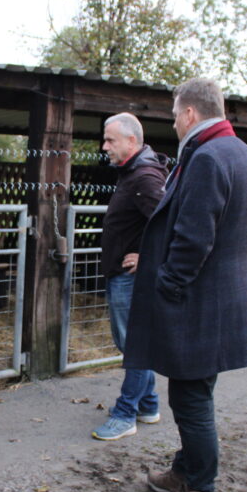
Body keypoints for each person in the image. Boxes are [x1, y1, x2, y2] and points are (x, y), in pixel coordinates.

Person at [124, 77, 247, 492]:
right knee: (197, 391)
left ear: (189, 114)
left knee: (190, 398)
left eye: (173, 115)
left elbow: (194, 238)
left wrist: (168, 283)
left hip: (199, 302)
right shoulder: (243, 155)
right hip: (225, 299)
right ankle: (184, 472)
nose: (173, 123)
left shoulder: (207, 158)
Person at [92, 113, 168, 440]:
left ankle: (126, 414)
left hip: (131, 277)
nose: (104, 146)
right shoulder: (133, 172)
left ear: (131, 141)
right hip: (123, 274)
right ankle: (148, 404)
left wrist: (150, 257)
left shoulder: (144, 177)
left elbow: (171, 222)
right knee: (131, 343)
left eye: (110, 140)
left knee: (134, 346)